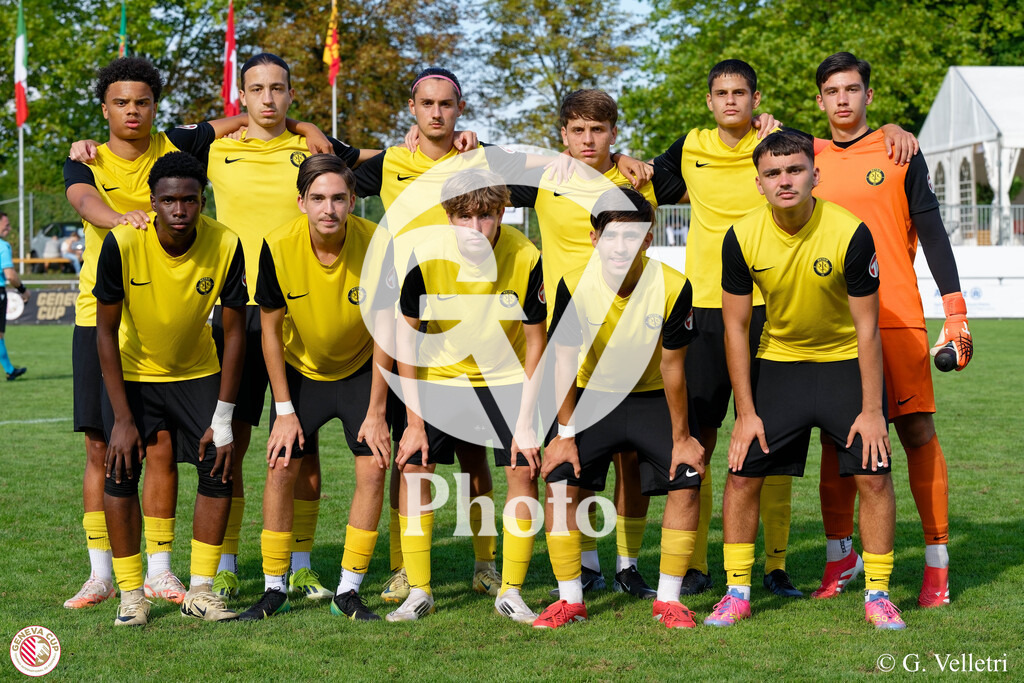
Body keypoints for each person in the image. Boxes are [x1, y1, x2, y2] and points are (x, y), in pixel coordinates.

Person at [651, 59, 917, 598]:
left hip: (786, 326)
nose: (731, 101)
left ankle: (783, 568)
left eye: (740, 92)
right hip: (708, 312)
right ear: (709, 100)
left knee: (794, 451)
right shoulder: (689, 148)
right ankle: (705, 570)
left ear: (756, 97)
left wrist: (891, 129)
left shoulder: (784, 147)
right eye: (721, 92)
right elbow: (640, 179)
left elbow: (843, 141)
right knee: (709, 445)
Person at [62, 56, 242, 610]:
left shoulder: (176, 148)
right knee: (104, 448)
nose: (132, 111)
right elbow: (84, 202)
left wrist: (305, 130)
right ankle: (103, 574)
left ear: (155, 106)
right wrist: (120, 218)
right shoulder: (86, 159)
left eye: (142, 101)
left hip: (171, 315)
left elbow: (238, 121)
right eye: (121, 102)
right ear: (105, 109)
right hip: (104, 316)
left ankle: (161, 572)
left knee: (162, 451)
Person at [708, 130, 905, 630]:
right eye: (773, 173)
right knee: (741, 474)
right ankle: (736, 592)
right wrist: (746, 413)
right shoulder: (742, 236)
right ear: (759, 184)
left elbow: (867, 328)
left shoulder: (850, 232)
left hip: (844, 366)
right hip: (780, 365)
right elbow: (735, 325)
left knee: (874, 475)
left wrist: (872, 409)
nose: (785, 180)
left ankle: (878, 593)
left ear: (815, 174)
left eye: (795, 169)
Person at [511, 89, 687, 600]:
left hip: (631, 339)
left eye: (599, 129)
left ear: (614, 132)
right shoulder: (546, 177)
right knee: (576, 463)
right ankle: (587, 563)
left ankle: (628, 564)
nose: (589, 140)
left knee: (631, 462)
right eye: (578, 130)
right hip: (571, 341)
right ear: (563, 133)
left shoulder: (639, 181)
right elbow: (472, 172)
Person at [811, 52, 970, 608]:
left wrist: (955, 312)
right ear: (820, 100)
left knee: (917, 433)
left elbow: (934, 232)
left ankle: (936, 564)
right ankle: (840, 558)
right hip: (829, 324)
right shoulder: (803, 154)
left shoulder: (900, 150)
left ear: (868, 96)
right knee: (837, 443)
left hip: (896, 317)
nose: (843, 99)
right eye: (832, 91)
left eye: (852, 89)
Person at [534, 187, 704, 629]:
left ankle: (669, 600)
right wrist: (564, 436)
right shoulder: (573, 283)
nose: (621, 246)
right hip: (593, 397)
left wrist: (683, 439)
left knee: (686, 477)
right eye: (612, 236)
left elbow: (673, 367)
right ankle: (570, 600)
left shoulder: (672, 285)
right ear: (594, 238)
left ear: (648, 238)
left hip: (649, 397)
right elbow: (565, 362)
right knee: (558, 480)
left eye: (632, 236)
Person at [94, 152, 248, 626]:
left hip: (198, 373)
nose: (179, 210)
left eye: (190, 200)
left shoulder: (225, 242)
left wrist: (223, 416)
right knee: (119, 471)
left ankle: (202, 591)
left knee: (218, 468)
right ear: (153, 202)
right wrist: (122, 419)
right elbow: (105, 332)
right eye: (169, 200)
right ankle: (130, 595)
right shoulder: (122, 242)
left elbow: (236, 331)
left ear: (203, 200)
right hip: (136, 375)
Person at [240, 155, 396, 621]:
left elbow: (388, 329)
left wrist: (376, 412)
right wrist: (284, 410)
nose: (329, 208)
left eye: (338, 198)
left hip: (362, 369)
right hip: (301, 371)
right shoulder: (278, 245)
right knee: (281, 465)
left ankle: (348, 591)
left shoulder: (379, 243)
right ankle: (274, 587)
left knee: (373, 469)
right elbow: (270, 330)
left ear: (353, 201)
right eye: (318, 198)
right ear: (302, 202)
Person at [390, 168, 546, 623]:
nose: (475, 229)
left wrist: (525, 422)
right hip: (440, 375)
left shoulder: (525, 255)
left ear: (502, 213)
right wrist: (414, 423)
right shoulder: (425, 256)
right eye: (464, 217)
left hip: (505, 378)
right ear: (448, 216)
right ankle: (419, 591)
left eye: (486, 216)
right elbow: (406, 338)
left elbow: (537, 342)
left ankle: (509, 588)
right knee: (416, 467)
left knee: (522, 470)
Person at [0, 212, 29, 380]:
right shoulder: (3, 246)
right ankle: (10, 370)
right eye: (6, 225)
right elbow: (10, 275)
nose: (9, 229)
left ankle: (10, 369)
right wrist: (23, 290)